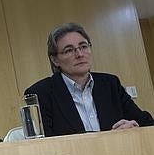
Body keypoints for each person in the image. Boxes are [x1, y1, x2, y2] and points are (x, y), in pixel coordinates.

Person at [25, 23, 153, 137]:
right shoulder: (40, 93)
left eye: (84, 46)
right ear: (55, 60)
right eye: (69, 50)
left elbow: (146, 122)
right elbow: (41, 144)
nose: (80, 54)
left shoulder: (110, 84)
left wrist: (134, 127)